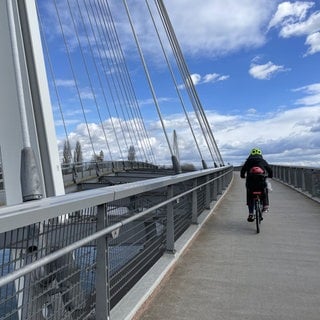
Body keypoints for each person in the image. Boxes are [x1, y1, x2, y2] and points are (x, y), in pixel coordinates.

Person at [240, 148, 273, 222]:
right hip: (261, 182)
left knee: (249, 195)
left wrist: (242, 176)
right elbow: (270, 170)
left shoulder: (248, 161)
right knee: (265, 190)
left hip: (250, 182)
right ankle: (265, 205)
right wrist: (270, 176)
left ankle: (251, 213)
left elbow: (243, 170)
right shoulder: (263, 161)